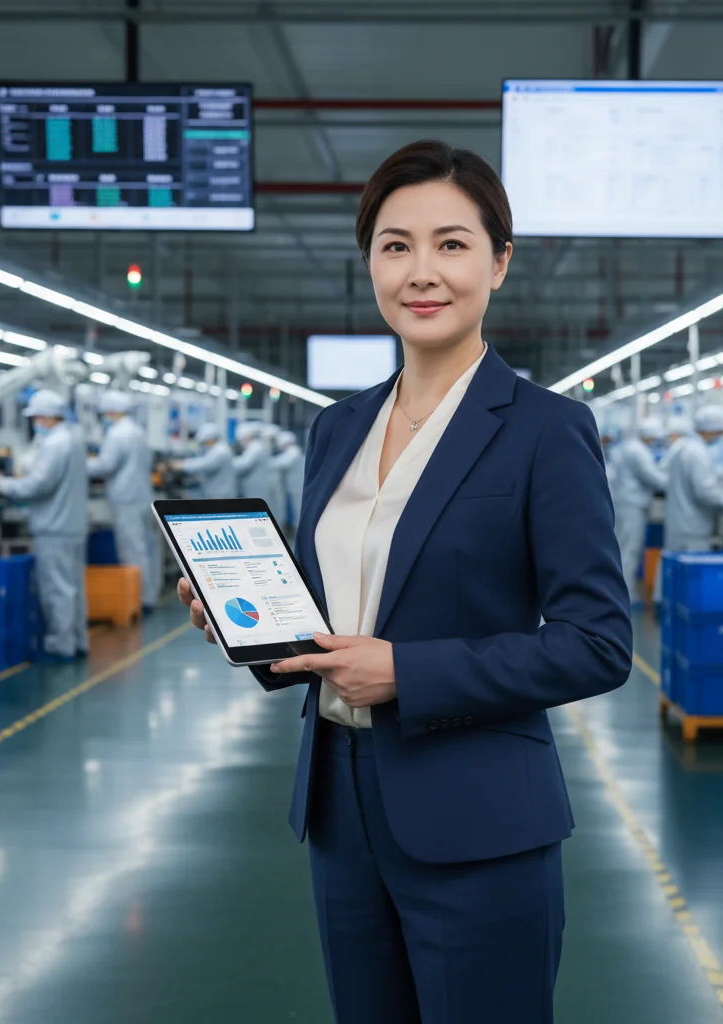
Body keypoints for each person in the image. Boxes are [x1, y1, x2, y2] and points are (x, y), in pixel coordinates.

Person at [179, 140, 631, 1024]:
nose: (422, 272)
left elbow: (597, 644)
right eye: (396, 246)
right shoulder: (335, 429)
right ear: (372, 264)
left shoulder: (546, 430)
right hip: (340, 814)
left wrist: (407, 674)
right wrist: (253, 628)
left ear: (499, 263)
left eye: (452, 244)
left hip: (479, 821)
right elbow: (332, 627)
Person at [0, 390, 88, 663]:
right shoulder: (74, 438)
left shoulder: (55, 444)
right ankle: (78, 641)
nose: (34, 423)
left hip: (55, 527)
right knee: (73, 588)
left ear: (43, 417)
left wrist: (1, 485)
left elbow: (37, 484)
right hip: (72, 524)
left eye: (35, 418)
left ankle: (60, 645)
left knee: (57, 589)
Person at [88, 390, 162, 611]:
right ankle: (150, 593)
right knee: (146, 547)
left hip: (126, 498)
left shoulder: (117, 434)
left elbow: (105, 465)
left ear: (110, 411)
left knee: (131, 550)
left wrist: (80, 465)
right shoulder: (137, 431)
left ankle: (139, 600)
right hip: (141, 496)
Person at [613, 420, 667, 603]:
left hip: (626, 503)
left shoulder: (631, 447)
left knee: (623, 548)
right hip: (632, 505)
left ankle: (620, 592)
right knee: (630, 551)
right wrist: (673, 483)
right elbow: (652, 476)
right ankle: (625, 595)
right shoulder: (638, 451)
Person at [663, 404, 723, 552]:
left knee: (673, 570)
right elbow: (706, 492)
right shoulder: (698, 453)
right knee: (690, 572)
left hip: (680, 522)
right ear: (713, 430)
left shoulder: (683, 446)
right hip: (692, 527)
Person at [176, 421, 237, 499]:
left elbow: (205, 464)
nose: (203, 445)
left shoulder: (221, 451)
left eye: (204, 442)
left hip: (221, 496)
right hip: (217, 493)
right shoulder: (217, 449)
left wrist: (182, 465)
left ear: (211, 439)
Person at [233, 421, 283, 514]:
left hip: (257, 487)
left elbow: (244, 464)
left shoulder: (255, 448)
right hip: (256, 486)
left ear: (246, 437)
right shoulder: (256, 446)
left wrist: (229, 462)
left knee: (257, 512)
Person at [272, 429, 305, 529]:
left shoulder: (294, 452)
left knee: (298, 510)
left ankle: (299, 531)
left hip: (297, 486)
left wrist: (265, 461)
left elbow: (281, 463)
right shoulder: (293, 451)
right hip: (294, 486)